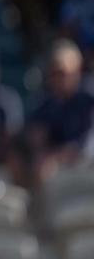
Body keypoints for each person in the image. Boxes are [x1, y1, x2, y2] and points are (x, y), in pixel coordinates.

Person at [27, 40, 94, 181]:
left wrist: (54, 156)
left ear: (78, 70)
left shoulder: (89, 99)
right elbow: (37, 141)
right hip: (58, 177)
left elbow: (87, 149)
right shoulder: (45, 103)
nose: (57, 79)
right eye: (53, 73)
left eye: (62, 73)